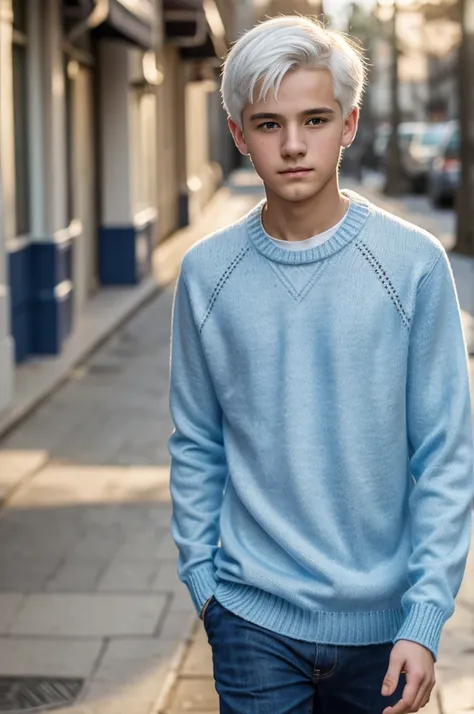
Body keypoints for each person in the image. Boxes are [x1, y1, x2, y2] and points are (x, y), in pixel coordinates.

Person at [168, 14, 474, 714]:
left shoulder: (414, 265)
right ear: (239, 135)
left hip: (385, 629)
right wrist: (205, 587)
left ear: (350, 124)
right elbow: (196, 441)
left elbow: (446, 455)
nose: (295, 145)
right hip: (251, 619)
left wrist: (426, 618)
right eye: (269, 124)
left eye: (315, 118)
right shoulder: (206, 274)